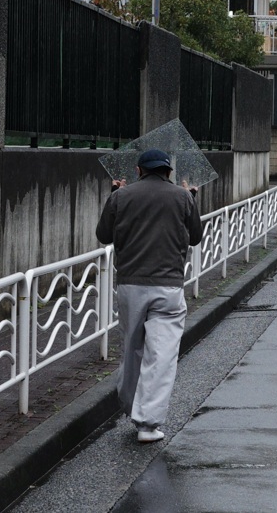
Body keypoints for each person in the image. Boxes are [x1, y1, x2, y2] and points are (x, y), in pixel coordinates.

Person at [96, 148, 203, 443]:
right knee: (162, 354)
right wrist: (191, 197)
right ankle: (148, 422)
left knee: (132, 348)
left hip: (130, 285)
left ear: (139, 170)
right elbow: (195, 237)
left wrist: (114, 195)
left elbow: (104, 235)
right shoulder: (182, 197)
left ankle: (130, 405)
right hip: (168, 286)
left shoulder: (122, 196)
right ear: (168, 172)